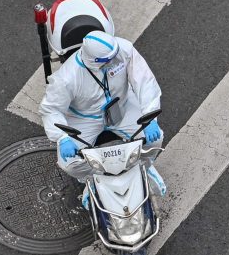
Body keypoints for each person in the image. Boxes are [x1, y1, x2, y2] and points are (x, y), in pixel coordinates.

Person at [40, 30, 163, 176]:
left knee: (154, 141)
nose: (116, 60)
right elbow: (51, 109)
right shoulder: (66, 78)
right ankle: (92, 180)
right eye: (109, 60)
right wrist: (62, 138)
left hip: (122, 106)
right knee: (71, 164)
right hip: (85, 119)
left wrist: (149, 116)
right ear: (94, 61)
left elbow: (145, 82)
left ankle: (143, 168)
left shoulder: (124, 49)